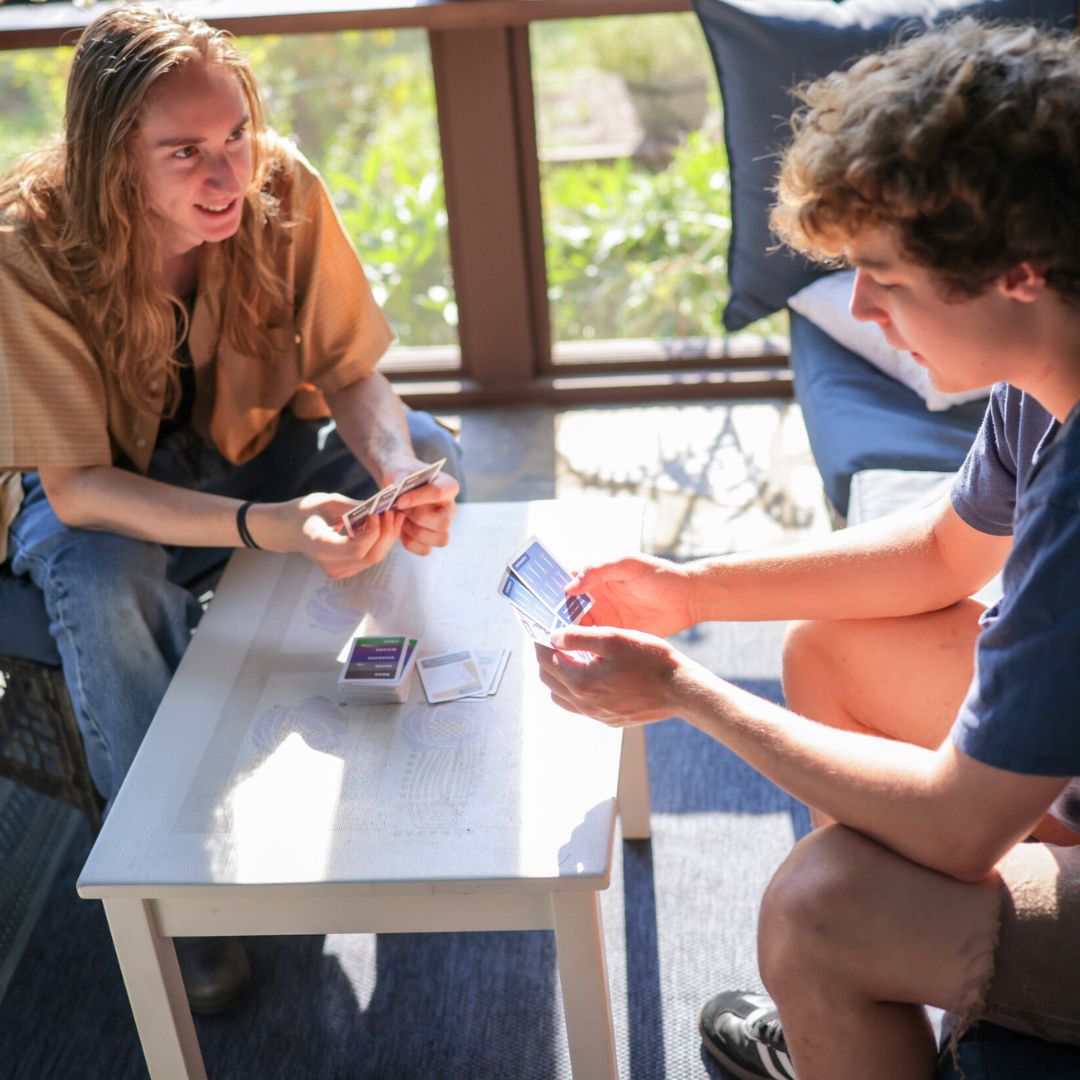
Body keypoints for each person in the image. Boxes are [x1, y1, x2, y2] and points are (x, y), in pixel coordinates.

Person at [536, 19, 1080, 1080]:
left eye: (885, 274)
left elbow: (963, 827)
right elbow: (937, 553)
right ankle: (872, 1015)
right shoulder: (1050, 369)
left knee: (813, 911)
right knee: (829, 651)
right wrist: (688, 589)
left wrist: (687, 692)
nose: (862, 308)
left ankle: (852, 974)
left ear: (1017, 269)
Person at [0, 4, 461, 1012]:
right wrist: (271, 527)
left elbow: (354, 374)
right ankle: (173, 877)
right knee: (98, 570)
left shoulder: (282, 189)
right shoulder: (24, 244)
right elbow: (78, 489)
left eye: (236, 134)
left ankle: (393, 755)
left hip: (250, 455)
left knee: (430, 450)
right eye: (185, 152)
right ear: (111, 155)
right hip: (93, 499)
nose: (228, 175)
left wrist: (395, 467)